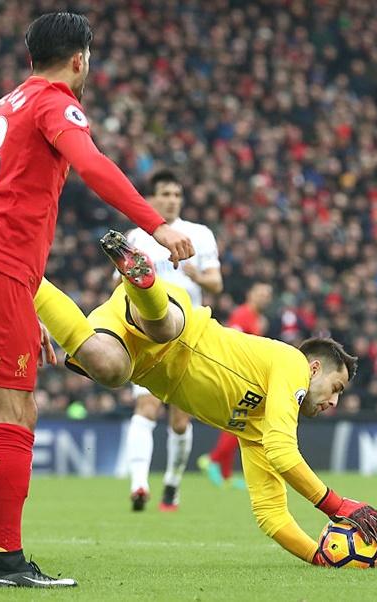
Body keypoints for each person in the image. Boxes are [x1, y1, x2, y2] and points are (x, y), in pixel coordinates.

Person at [0, 11, 194, 588]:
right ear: (80, 58)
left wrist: (19, 298)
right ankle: (8, 562)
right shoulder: (55, 102)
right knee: (18, 415)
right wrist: (155, 224)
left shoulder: (3, 106)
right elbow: (90, 162)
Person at [32, 230, 377, 566]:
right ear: (314, 369)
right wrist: (337, 505)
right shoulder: (292, 363)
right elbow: (284, 452)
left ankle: (29, 277)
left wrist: (319, 556)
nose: (334, 403)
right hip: (176, 320)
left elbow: (271, 514)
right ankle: (140, 276)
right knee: (162, 326)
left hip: (135, 359)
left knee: (110, 370)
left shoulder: (256, 428)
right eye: (336, 389)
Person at [121, 169, 222, 512]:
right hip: (147, 335)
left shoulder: (200, 235)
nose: (171, 200)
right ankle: (138, 484)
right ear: (150, 199)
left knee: (180, 420)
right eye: (165, 194)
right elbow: (119, 285)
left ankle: (172, 484)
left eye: (177, 194)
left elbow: (216, 285)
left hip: (188, 334)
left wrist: (196, 274)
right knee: (146, 407)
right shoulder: (136, 236)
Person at [198, 282, 273, 489]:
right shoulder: (242, 315)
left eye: (268, 294)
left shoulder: (257, 319)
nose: (265, 297)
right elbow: (232, 343)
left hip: (247, 375)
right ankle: (213, 459)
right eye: (261, 293)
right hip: (237, 375)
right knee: (239, 421)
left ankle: (226, 473)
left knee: (237, 421)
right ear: (250, 294)